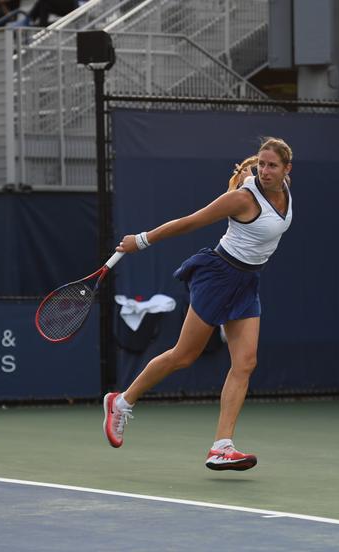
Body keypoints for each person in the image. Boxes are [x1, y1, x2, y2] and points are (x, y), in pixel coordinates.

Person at [103, 137, 294, 471]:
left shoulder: (284, 192)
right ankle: (121, 402)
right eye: (261, 164)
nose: (265, 170)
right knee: (183, 356)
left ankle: (221, 446)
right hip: (218, 276)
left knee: (245, 363)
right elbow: (190, 222)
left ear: (286, 169)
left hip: (248, 282)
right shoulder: (241, 199)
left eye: (272, 165)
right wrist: (141, 241)